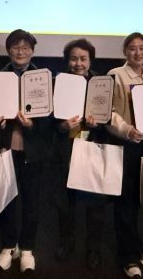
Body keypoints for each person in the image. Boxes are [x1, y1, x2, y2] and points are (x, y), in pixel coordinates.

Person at [0, 29, 51, 273]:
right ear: (8, 50)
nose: (20, 51)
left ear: (32, 51)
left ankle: (26, 248)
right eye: (15, 47)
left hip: (32, 150)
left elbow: (50, 119)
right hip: (5, 147)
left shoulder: (43, 78)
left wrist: (32, 124)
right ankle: (7, 247)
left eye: (25, 47)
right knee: (6, 200)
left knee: (31, 202)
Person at [51, 38, 108, 270]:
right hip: (65, 149)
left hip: (93, 148)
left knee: (95, 205)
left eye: (83, 59)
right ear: (67, 61)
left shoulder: (101, 84)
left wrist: (98, 124)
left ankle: (94, 249)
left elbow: (109, 120)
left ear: (90, 61)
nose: (78, 63)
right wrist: (62, 126)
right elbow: (48, 121)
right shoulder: (58, 83)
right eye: (74, 59)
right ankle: (67, 242)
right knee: (66, 203)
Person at [107, 32, 143, 278]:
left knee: (137, 200)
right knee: (124, 203)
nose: (138, 53)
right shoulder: (115, 75)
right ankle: (127, 257)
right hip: (125, 145)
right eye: (132, 48)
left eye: (142, 48)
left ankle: (135, 245)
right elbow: (108, 111)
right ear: (125, 52)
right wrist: (127, 130)